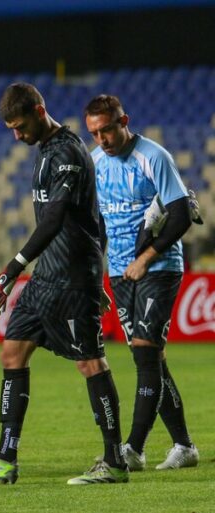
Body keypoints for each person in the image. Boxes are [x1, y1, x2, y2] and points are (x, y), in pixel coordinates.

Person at [0, 83, 128, 485]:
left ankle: (115, 461)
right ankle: (4, 457)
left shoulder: (67, 152)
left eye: (20, 125)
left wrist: (10, 270)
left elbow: (54, 220)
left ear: (39, 110)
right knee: (12, 353)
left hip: (69, 278)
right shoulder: (45, 151)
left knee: (90, 363)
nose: (17, 135)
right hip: (46, 277)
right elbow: (95, 220)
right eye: (11, 128)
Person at [84, 94, 200, 471]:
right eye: (95, 133)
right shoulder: (96, 162)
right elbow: (97, 226)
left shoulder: (154, 157)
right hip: (119, 273)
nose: (101, 139)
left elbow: (181, 213)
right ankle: (183, 446)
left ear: (124, 122)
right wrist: (96, 276)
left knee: (145, 350)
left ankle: (131, 449)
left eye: (107, 130)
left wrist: (146, 258)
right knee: (149, 359)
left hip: (159, 267)